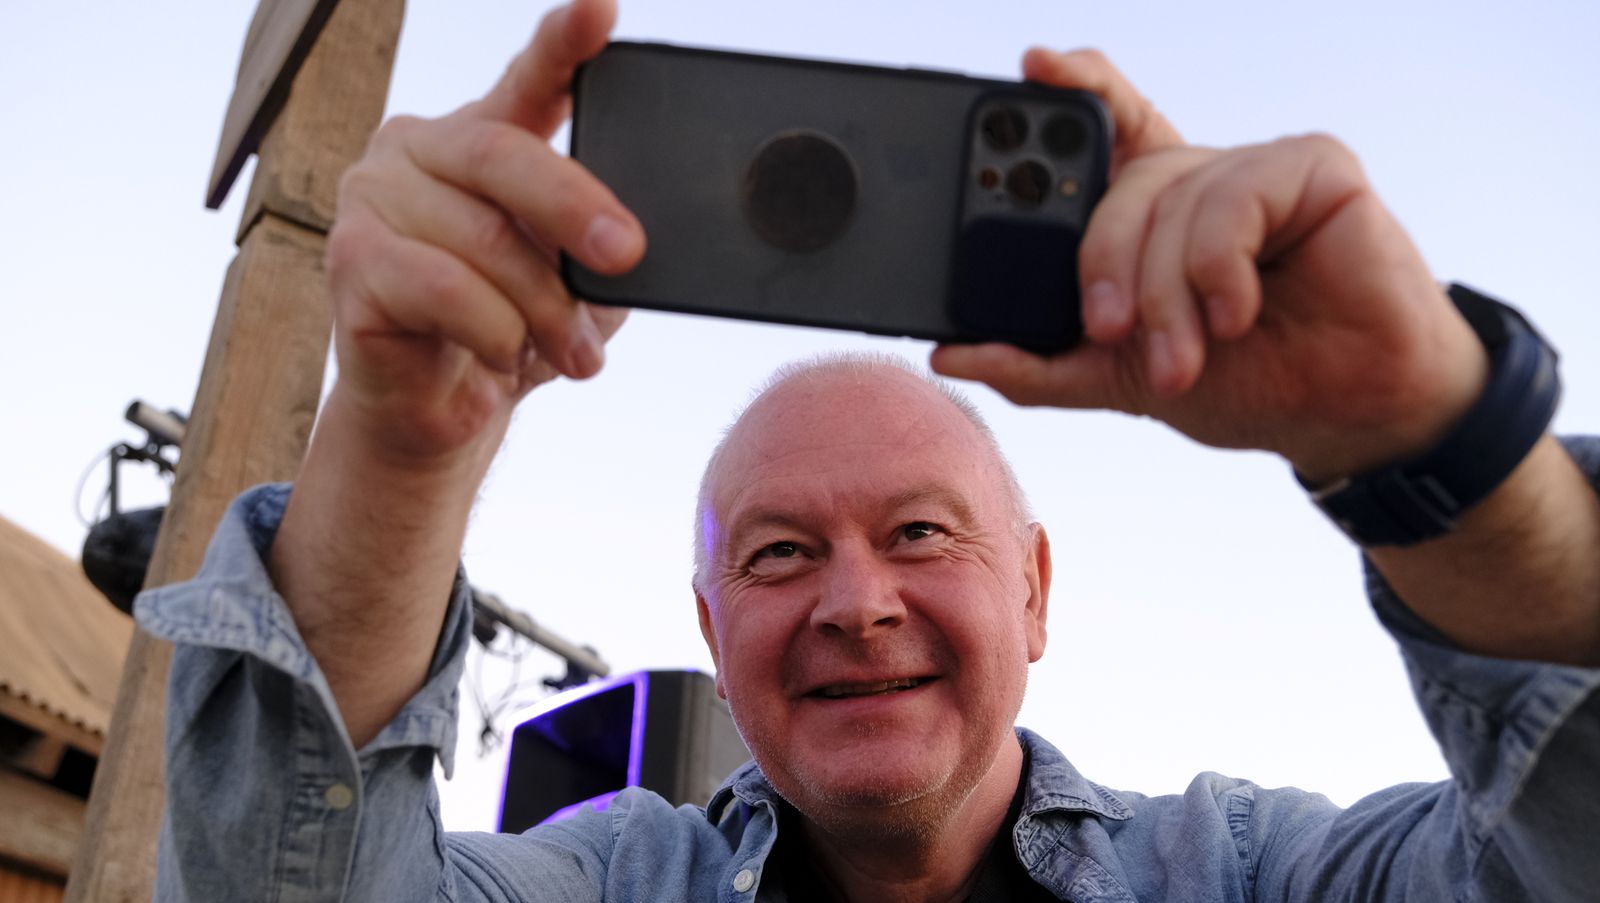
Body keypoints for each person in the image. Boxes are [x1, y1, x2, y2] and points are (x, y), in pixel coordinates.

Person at [136, 0, 1600, 900]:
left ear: (1034, 589)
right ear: (711, 625)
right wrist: (400, 448)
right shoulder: (610, 884)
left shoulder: (1251, 877)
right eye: (778, 554)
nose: (855, 601)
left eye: (919, 534)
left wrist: (1436, 445)